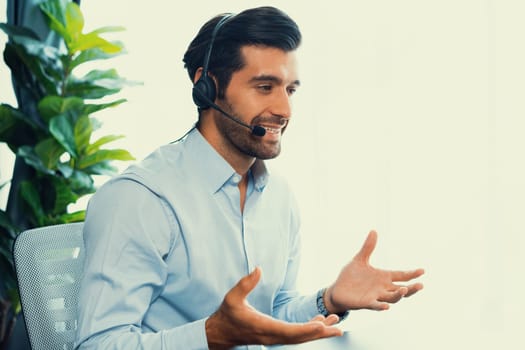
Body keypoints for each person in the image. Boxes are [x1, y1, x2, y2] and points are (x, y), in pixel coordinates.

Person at [75, 6, 424, 350]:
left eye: (290, 90)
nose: (285, 111)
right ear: (207, 87)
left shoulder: (279, 198)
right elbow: (97, 345)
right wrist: (210, 337)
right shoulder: (139, 200)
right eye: (264, 87)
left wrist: (329, 300)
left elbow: (270, 318)